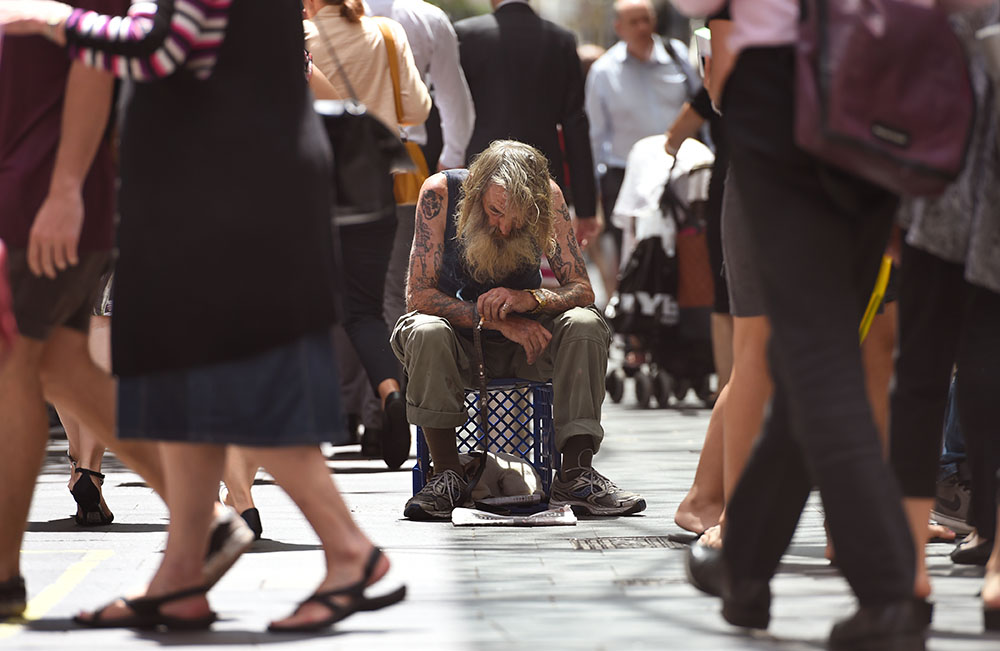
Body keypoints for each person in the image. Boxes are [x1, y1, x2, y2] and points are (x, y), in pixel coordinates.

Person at [0, 0, 404, 631]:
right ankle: (181, 574)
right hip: (221, 184)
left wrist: (57, 21)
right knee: (185, 384)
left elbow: (162, 44)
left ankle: (349, 550)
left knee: (238, 379)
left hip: (222, 191)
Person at [671, 0, 958, 648]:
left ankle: (887, 590)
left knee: (817, 349)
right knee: (817, 348)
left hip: (785, 90)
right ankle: (746, 568)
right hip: (887, 87)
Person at [391, 139, 645, 520]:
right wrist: (495, 320)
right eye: (495, 211)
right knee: (425, 331)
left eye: (519, 218)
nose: (505, 226)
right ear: (476, 193)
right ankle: (446, 473)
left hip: (527, 344)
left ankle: (575, 472)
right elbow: (418, 296)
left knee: (586, 323)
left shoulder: (550, 197)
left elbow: (581, 288)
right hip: (455, 345)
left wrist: (531, 300)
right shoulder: (440, 193)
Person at [305, 0, 431, 470]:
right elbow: (418, 108)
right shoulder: (387, 33)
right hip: (375, 189)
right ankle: (388, 396)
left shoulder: (300, 43)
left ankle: (317, 418)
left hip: (312, 193)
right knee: (368, 308)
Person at [455, 0, 601, 249]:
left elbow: (450, 109)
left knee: (477, 266)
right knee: (537, 269)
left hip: (478, 172)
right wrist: (586, 208)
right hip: (542, 176)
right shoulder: (562, 40)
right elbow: (575, 125)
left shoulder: (464, 35)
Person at [586, 0, 695, 289]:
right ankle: (634, 320)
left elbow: (701, 108)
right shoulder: (604, 71)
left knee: (685, 247)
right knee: (632, 254)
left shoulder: (678, 56)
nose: (642, 28)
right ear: (618, 28)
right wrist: (593, 191)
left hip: (680, 171)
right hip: (625, 177)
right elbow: (595, 134)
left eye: (646, 20)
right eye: (634, 22)